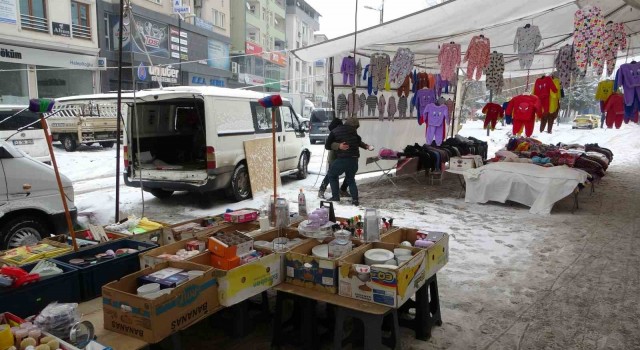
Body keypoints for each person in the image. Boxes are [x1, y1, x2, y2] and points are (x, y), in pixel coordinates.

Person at [324, 118, 373, 206]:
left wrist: (338, 146)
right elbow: (359, 142)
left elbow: (327, 145)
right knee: (351, 179)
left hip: (342, 159)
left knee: (332, 175)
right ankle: (355, 200)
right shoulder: (354, 132)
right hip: (354, 160)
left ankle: (335, 197)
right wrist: (367, 146)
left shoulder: (335, 131)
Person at [318, 117, 349, 199]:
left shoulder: (341, 131)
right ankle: (322, 190)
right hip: (334, 156)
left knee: (349, 172)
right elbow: (328, 145)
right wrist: (338, 145)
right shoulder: (335, 132)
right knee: (330, 174)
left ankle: (342, 190)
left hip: (343, 155)